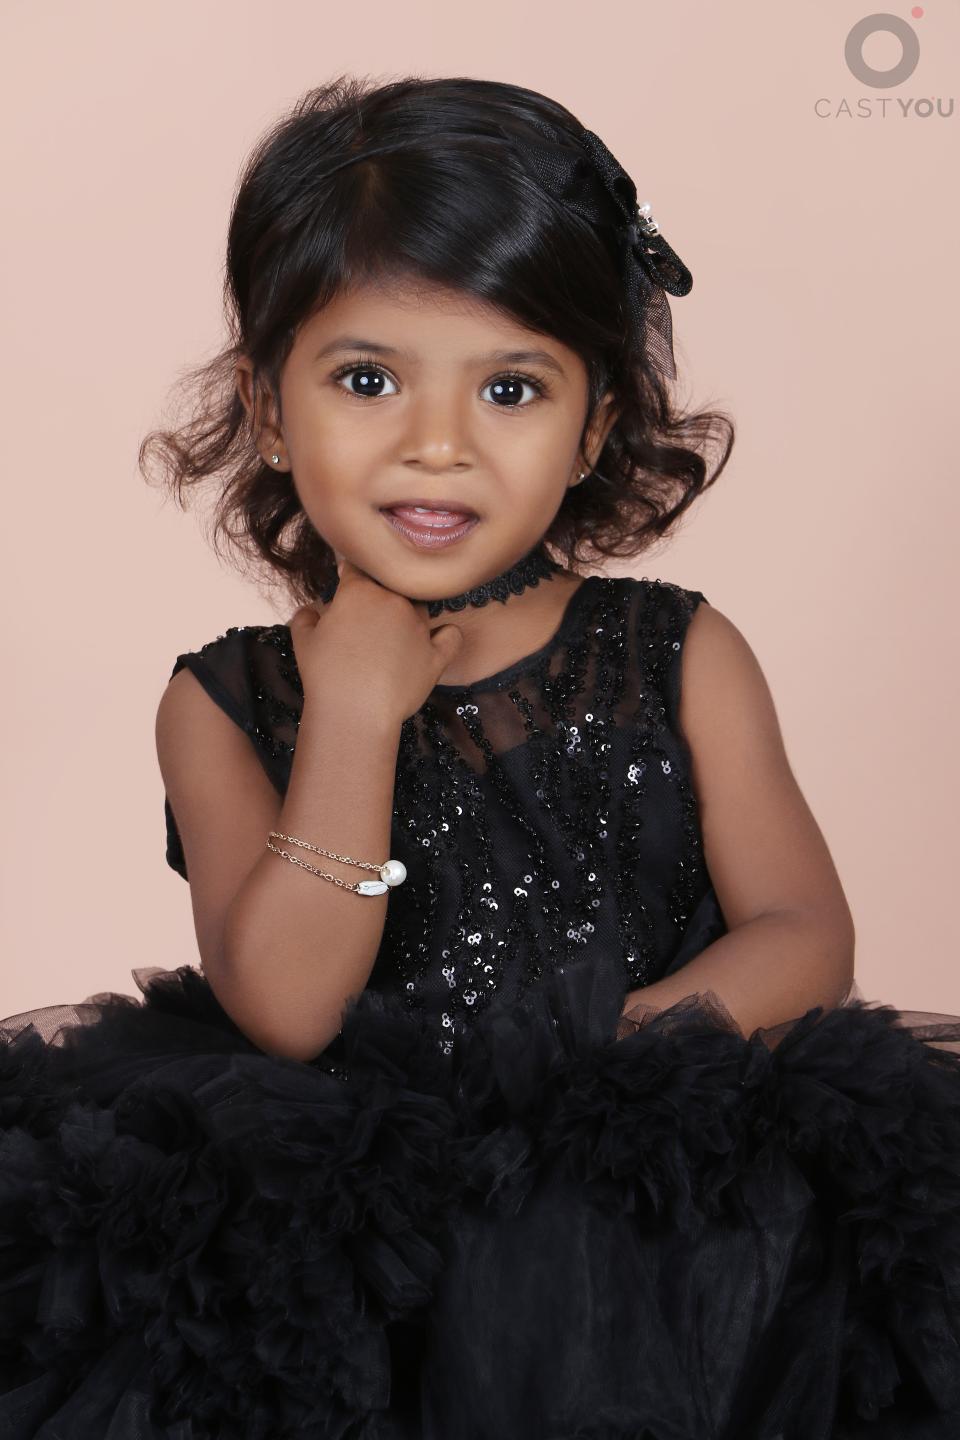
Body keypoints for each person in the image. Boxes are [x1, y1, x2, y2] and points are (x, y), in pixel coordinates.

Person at [2, 73, 959, 1440]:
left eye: (510, 388)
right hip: (349, 1246)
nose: (437, 444)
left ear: (594, 426)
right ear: (269, 408)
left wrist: (591, 1065)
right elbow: (287, 1011)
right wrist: (351, 713)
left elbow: (807, 932)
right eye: (368, 380)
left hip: (650, 1205)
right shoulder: (224, 701)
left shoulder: (676, 652)